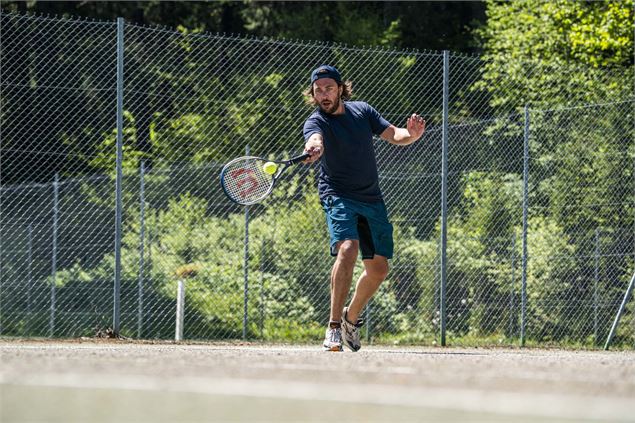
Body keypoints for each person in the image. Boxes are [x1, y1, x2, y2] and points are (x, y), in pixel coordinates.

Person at [302, 65, 425, 352]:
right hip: (338, 195)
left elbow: (395, 135)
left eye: (329, 88)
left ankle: (350, 318)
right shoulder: (316, 121)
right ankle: (333, 327)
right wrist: (314, 148)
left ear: (341, 88)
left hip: (370, 198)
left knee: (379, 270)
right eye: (318, 90)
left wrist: (413, 135)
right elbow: (314, 139)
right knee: (347, 248)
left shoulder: (362, 111)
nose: (323, 94)